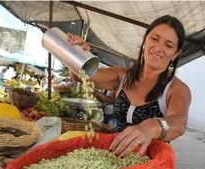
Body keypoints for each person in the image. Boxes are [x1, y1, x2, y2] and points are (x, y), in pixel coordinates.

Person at [68, 15, 191, 158]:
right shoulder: (122, 76)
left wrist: (153, 126)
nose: (159, 48)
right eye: (154, 39)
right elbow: (79, 75)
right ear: (145, 39)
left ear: (176, 54)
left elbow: (178, 123)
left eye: (169, 45)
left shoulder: (177, 89)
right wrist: (78, 54)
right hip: (113, 158)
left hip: (151, 165)